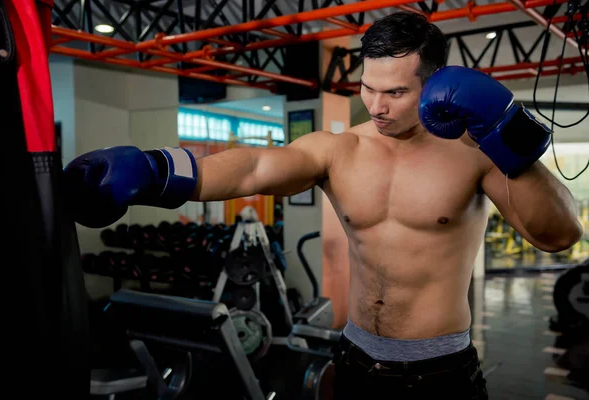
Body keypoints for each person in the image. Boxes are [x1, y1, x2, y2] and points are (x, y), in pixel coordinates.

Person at [63, 11, 584, 399]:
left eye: (396, 93)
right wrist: (157, 170)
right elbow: (252, 168)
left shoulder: (474, 153)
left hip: (441, 373)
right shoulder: (341, 148)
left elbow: (559, 234)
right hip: (355, 363)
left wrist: (506, 135)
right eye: (367, 87)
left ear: (435, 85)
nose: (376, 106)